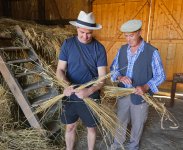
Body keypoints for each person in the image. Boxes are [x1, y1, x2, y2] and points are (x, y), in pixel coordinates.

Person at [110, 20, 166, 150]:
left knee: (138, 124)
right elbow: (113, 68)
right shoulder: (122, 50)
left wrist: (146, 87)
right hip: (123, 93)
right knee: (120, 121)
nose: (128, 39)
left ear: (140, 32)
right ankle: (117, 145)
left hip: (141, 96)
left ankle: (133, 147)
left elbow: (161, 76)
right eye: (126, 36)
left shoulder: (152, 52)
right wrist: (120, 77)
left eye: (131, 35)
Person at [56, 10, 107, 150]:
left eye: (89, 33)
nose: (85, 36)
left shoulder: (99, 49)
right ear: (77, 28)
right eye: (82, 32)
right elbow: (59, 70)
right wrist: (66, 85)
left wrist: (89, 90)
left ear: (93, 31)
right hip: (70, 92)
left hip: (91, 95)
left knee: (91, 128)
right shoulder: (67, 44)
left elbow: (102, 79)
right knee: (70, 126)